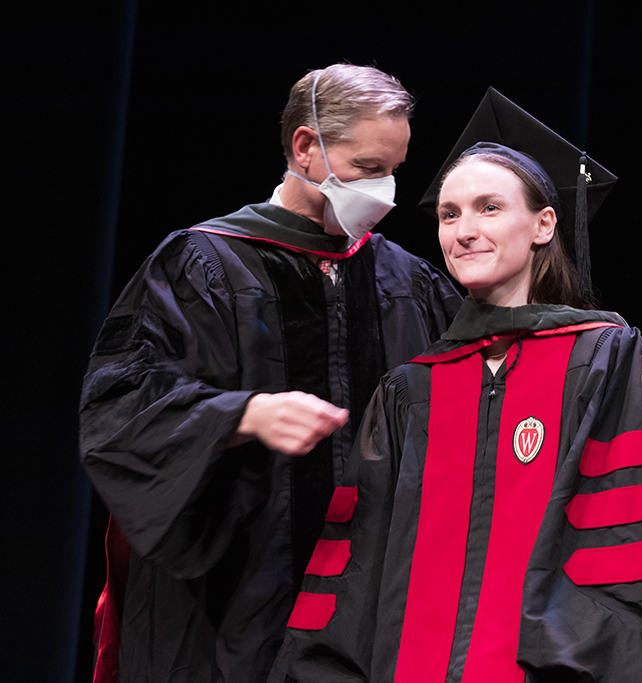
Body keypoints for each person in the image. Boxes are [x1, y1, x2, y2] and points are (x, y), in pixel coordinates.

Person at [271, 88, 642, 683]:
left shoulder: (601, 358)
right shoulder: (411, 390)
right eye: (449, 214)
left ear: (543, 223)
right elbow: (359, 561)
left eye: (488, 208)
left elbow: (635, 539)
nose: (463, 231)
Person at [79, 63, 462, 683]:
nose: (386, 191)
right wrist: (243, 413)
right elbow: (120, 401)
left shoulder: (406, 280)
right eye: (368, 169)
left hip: (365, 600)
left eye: (394, 170)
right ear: (306, 148)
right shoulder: (201, 263)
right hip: (229, 601)